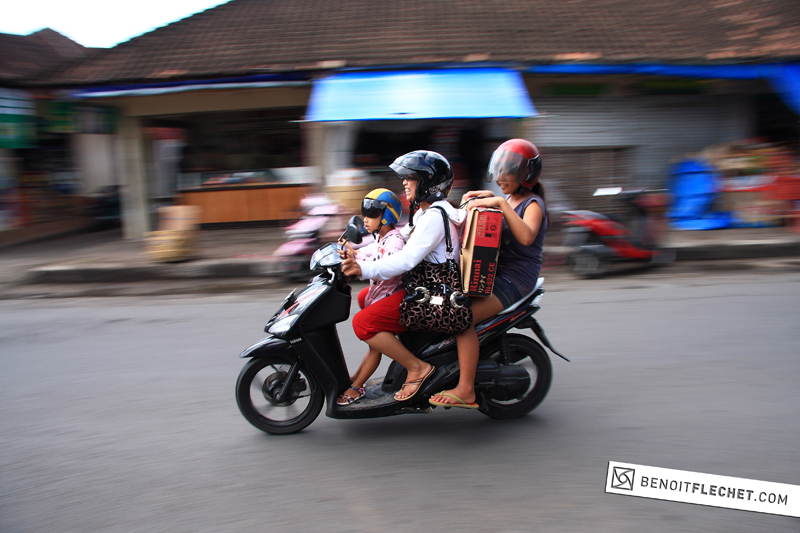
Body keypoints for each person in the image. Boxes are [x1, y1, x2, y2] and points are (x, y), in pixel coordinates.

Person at [429, 139, 548, 409]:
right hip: (493, 273)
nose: (502, 178)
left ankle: (466, 389)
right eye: (501, 171)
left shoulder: (533, 204)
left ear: (526, 174)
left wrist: (498, 203)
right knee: (440, 299)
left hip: (515, 280)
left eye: (510, 172)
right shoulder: (509, 199)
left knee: (461, 318)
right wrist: (479, 200)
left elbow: (526, 236)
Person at [342, 150, 467, 402]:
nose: (404, 182)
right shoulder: (424, 213)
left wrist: (363, 269)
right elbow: (391, 242)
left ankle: (417, 367)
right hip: (424, 286)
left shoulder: (433, 216)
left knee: (362, 323)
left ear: (428, 182)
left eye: (411, 177)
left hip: (435, 297)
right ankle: (373, 361)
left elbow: (405, 259)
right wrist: (354, 253)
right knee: (366, 297)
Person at [336, 189, 405, 405]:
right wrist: (349, 251)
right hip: (380, 297)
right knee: (373, 345)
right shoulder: (381, 238)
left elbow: (388, 267)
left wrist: (360, 265)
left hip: (390, 299)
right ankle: (357, 378)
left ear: (386, 216)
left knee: (372, 341)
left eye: (372, 213)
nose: (366, 219)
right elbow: (366, 251)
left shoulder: (394, 240)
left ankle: (356, 387)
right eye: (364, 213)